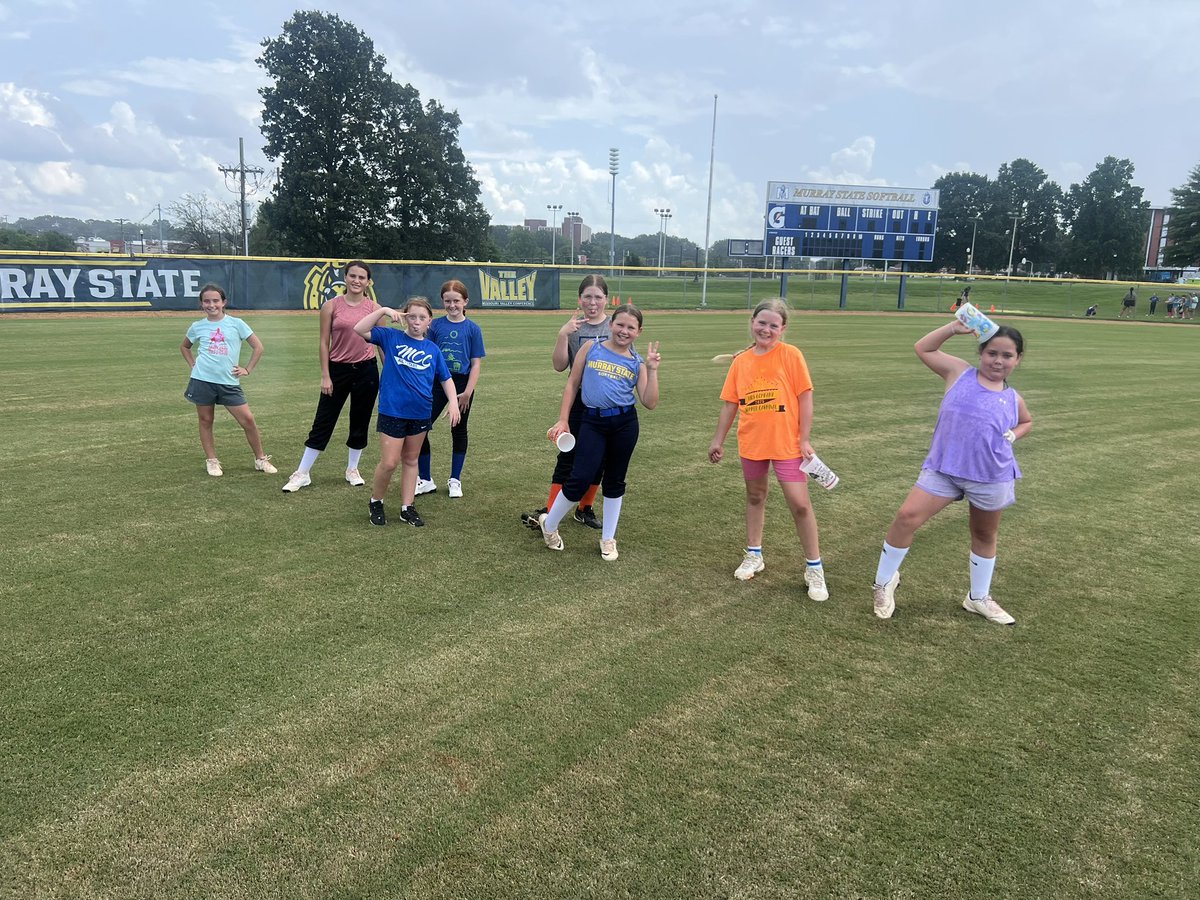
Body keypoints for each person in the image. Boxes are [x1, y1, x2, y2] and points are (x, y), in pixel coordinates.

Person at [871, 320, 1032, 625]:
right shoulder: (959, 373)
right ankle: (883, 582)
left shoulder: (1013, 398)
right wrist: (951, 329)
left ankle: (978, 597)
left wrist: (1015, 435)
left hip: (991, 475)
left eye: (1007, 356)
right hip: (944, 469)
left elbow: (1026, 421)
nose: (998, 361)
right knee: (907, 517)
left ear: (1018, 359)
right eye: (992, 353)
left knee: (984, 533)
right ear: (981, 353)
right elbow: (923, 348)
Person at [707, 299, 829, 602]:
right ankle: (754, 554)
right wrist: (717, 440)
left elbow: (805, 398)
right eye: (762, 322)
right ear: (752, 322)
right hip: (752, 442)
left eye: (774, 325)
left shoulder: (791, 355)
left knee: (800, 504)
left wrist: (804, 439)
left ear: (783, 329)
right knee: (755, 496)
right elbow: (730, 404)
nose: (767, 329)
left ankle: (814, 568)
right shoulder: (741, 361)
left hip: (787, 443)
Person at [539, 304, 660, 560]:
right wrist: (563, 420)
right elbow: (572, 384)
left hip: (625, 424)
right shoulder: (590, 348)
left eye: (631, 327)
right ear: (611, 324)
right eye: (620, 324)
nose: (624, 331)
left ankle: (608, 539)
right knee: (579, 478)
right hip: (592, 421)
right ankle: (549, 525)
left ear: (639, 332)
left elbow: (649, 402)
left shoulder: (637, 363)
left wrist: (652, 369)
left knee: (615, 481)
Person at [354, 297, 459, 527]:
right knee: (390, 462)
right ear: (404, 317)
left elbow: (446, 378)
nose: (416, 322)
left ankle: (407, 507)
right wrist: (382, 309)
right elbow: (359, 328)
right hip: (392, 410)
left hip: (420, 413)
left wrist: (453, 401)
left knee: (411, 460)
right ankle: (376, 501)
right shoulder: (391, 337)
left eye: (422, 318)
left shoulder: (432, 349)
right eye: (412, 316)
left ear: (429, 321)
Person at [521, 274, 612, 531]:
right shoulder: (574, 328)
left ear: (606, 299)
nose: (592, 302)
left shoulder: (614, 327)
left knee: (599, 458)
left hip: (604, 403)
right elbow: (560, 366)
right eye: (587, 297)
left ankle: (585, 509)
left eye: (598, 297)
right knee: (568, 455)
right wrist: (563, 334)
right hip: (579, 403)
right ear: (579, 299)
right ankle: (551, 511)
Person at [282, 260, 380, 493]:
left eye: (361, 277)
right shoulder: (331, 306)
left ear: (368, 282)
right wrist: (326, 375)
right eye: (352, 276)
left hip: (366, 369)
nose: (356, 281)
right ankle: (302, 473)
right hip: (338, 370)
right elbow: (324, 342)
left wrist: (389, 376)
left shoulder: (375, 308)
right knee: (323, 421)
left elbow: (381, 343)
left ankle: (352, 469)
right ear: (345, 277)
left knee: (360, 420)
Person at [181, 283, 278, 477]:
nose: (211, 304)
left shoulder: (237, 323)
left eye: (215, 300)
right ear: (201, 304)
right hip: (202, 380)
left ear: (223, 302)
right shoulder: (197, 326)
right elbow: (185, 347)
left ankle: (260, 459)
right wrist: (193, 365)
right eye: (206, 301)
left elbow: (258, 347)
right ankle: (212, 461)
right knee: (206, 420)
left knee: (248, 420)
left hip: (229, 382)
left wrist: (247, 369)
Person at [415, 279, 485, 499]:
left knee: (459, 429)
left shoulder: (473, 329)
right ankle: (425, 479)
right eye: (447, 301)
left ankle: (455, 480)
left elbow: (475, 364)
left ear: (465, 301)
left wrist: (467, 393)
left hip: (463, 384)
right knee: (420, 427)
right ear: (442, 302)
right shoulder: (435, 326)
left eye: (456, 300)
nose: (452, 305)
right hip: (437, 383)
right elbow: (428, 354)